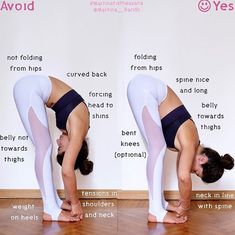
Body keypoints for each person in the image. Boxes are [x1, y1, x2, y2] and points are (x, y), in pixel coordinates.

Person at [127, 74, 234, 224]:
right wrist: (185, 206)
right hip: (145, 89)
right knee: (158, 148)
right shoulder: (191, 143)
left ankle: (160, 204)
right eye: (197, 171)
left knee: (156, 150)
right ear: (202, 159)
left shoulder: (189, 144)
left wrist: (175, 207)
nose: (193, 172)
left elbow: (180, 172)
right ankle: (155, 212)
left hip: (143, 88)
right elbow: (183, 177)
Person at [13, 75, 93, 222]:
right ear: (74, 148)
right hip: (30, 89)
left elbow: (68, 171)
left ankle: (54, 202)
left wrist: (68, 198)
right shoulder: (78, 131)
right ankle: (50, 209)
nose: (59, 141)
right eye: (62, 149)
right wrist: (75, 203)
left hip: (29, 88)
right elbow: (67, 171)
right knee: (44, 147)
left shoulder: (78, 127)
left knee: (44, 148)